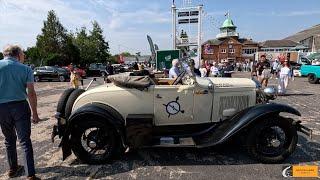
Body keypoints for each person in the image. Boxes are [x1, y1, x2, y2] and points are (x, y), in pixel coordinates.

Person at [0, 45, 40, 180]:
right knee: (25, 141)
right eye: (22, 54)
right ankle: (30, 174)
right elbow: (31, 93)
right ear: (17, 54)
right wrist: (35, 112)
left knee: (9, 139)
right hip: (20, 107)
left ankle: (13, 168)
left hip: (1, 108)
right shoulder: (25, 69)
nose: (23, 56)